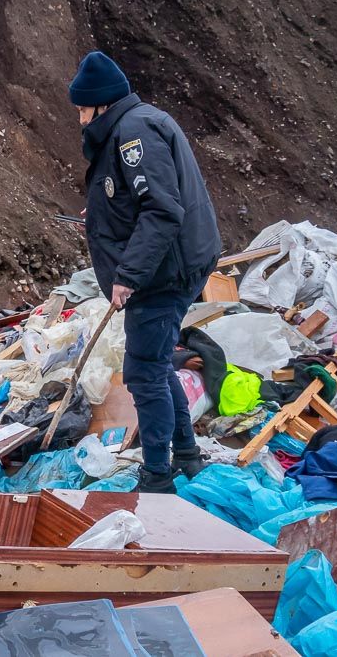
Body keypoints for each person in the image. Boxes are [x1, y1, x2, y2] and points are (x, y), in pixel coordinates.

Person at [69, 51, 222, 493]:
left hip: (162, 272)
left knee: (143, 372)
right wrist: (103, 205)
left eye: (82, 109)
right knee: (154, 364)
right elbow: (136, 194)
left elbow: (161, 208)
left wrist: (128, 275)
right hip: (173, 263)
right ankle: (187, 455)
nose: (80, 120)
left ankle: (157, 476)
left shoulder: (134, 133)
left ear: (100, 104)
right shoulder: (138, 122)